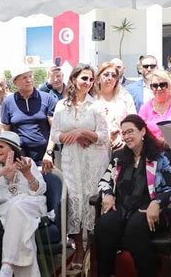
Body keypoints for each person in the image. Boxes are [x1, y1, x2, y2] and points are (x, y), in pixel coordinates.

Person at [95, 114, 171, 277]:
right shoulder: (118, 157)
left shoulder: (159, 158)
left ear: (143, 131)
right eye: (124, 133)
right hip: (123, 206)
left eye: (131, 131)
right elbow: (104, 181)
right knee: (105, 225)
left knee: (135, 228)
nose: (127, 136)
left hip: (148, 209)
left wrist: (157, 202)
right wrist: (107, 194)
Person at [50, 64, 110, 270]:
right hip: (70, 158)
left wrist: (84, 133)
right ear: (74, 78)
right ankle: (78, 247)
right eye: (84, 78)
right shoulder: (60, 106)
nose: (88, 83)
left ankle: (92, 248)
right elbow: (54, 134)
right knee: (74, 200)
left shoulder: (97, 106)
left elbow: (104, 136)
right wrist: (68, 136)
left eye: (91, 80)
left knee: (91, 200)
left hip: (93, 158)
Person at [0, 131, 48, 277]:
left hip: (31, 205)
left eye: (1, 146)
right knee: (25, 232)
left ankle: (7, 265)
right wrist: (2, 172)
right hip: (7, 211)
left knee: (18, 206)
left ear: (12, 149)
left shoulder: (27, 162)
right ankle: (9, 268)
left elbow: (40, 190)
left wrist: (28, 174)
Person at [1, 68, 57, 165]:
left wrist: (49, 153)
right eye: (24, 78)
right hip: (20, 158)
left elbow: (55, 129)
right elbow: (5, 131)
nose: (29, 80)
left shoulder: (48, 99)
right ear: (15, 82)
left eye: (30, 76)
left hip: (44, 157)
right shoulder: (8, 102)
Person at [94, 62, 136, 150]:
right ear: (98, 78)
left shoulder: (125, 97)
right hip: (97, 147)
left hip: (122, 146)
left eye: (113, 76)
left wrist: (123, 138)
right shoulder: (92, 100)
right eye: (106, 75)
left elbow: (133, 122)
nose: (110, 78)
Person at [138, 70, 171, 141]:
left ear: (169, 85)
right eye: (155, 86)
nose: (158, 89)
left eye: (162, 85)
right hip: (153, 147)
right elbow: (138, 128)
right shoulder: (145, 107)